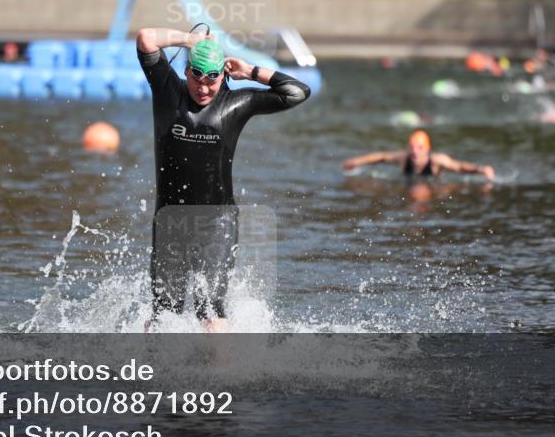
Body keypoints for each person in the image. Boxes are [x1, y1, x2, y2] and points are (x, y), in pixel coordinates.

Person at [136, 27, 311, 331]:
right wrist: (189, 40)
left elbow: (297, 92)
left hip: (217, 223)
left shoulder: (236, 103)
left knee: (211, 311)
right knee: (164, 313)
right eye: (196, 77)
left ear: (222, 76)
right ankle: (148, 374)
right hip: (170, 221)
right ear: (186, 70)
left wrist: (252, 71)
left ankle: (222, 378)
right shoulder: (167, 90)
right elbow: (145, 38)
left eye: (212, 79)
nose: (203, 88)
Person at [342, 129, 495, 181]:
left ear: (426, 149)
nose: (415, 151)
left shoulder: (436, 160)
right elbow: (381, 156)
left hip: (433, 185)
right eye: (412, 148)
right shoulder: (404, 158)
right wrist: (355, 162)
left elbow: (459, 167)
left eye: (419, 148)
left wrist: (481, 169)